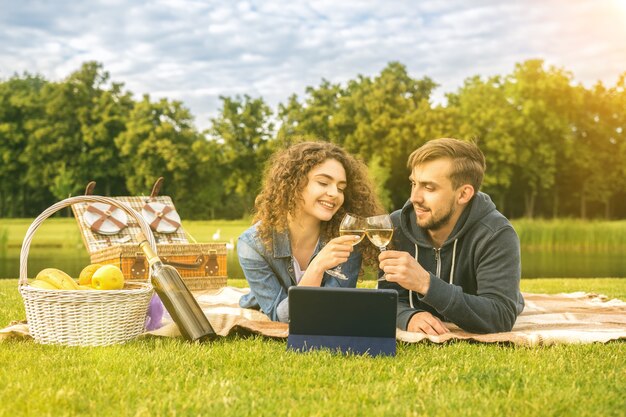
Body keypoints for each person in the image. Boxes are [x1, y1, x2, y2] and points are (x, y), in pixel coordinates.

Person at [378, 138, 524, 335]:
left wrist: (426, 284)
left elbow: (500, 316)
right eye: (414, 183)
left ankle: (515, 296)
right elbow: (388, 299)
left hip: (488, 305)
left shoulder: (496, 234)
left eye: (429, 188)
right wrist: (409, 317)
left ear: (463, 194)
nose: (415, 197)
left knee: (510, 300)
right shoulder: (396, 226)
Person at [238, 141, 383, 322]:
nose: (334, 193)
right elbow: (280, 316)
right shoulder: (253, 244)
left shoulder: (346, 239)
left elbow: (335, 307)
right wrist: (317, 267)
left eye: (341, 188)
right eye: (323, 182)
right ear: (294, 183)